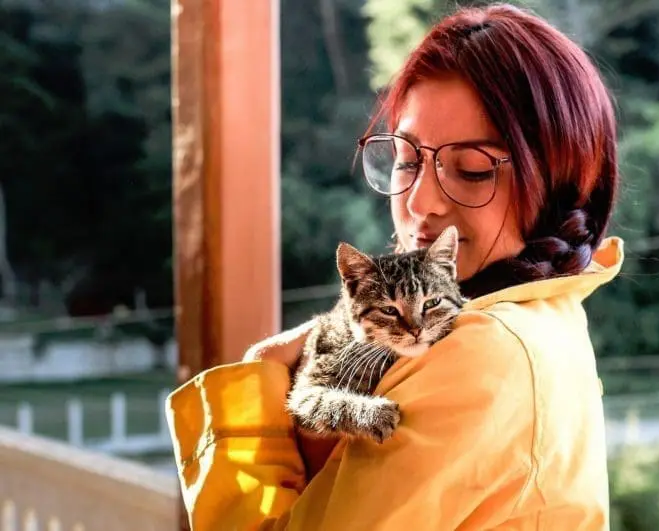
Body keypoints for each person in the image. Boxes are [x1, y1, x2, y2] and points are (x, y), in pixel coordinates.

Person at [166, 3, 624, 530]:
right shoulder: (551, 314)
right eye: (406, 160)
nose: (419, 201)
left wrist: (257, 386)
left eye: (472, 169)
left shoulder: (485, 351)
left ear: (559, 187)